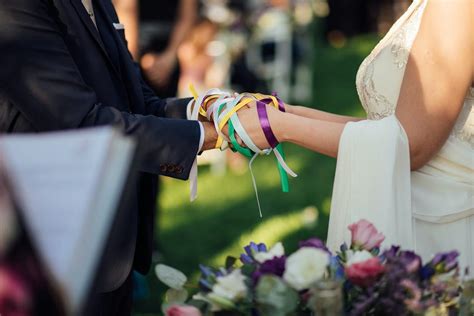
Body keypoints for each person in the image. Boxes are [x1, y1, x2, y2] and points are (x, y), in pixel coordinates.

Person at [0, 0, 223, 314]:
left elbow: (135, 98)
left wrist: (211, 111)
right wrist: (206, 137)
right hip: (49, 244)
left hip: (111, 238)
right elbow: (80, 121)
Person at [233, 0, 473, 270]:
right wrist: (288, 113)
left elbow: (410, 145)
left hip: (442, 233)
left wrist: (278, 126)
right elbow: (394, 126)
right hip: (415, 210)